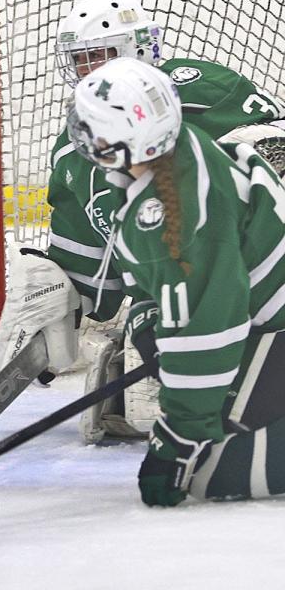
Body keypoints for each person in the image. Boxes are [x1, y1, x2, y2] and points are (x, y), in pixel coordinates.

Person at [0, 0, 285, 442]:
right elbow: (91, 266)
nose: (89, 71)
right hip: (186, 288)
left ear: (141, 50)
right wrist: (59, 306)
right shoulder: (76, 151)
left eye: (100, 56)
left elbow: (272, 151)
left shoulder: (205, 91)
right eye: (80, 60)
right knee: (148, 323)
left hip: (253, 278)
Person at [67, 57, 285, 507]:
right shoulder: (179, 153)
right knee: (150, 327)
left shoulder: (179, 211)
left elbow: (210, 329)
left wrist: (177, 441)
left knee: (207, 475)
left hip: (273, 332)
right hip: (267, 322)